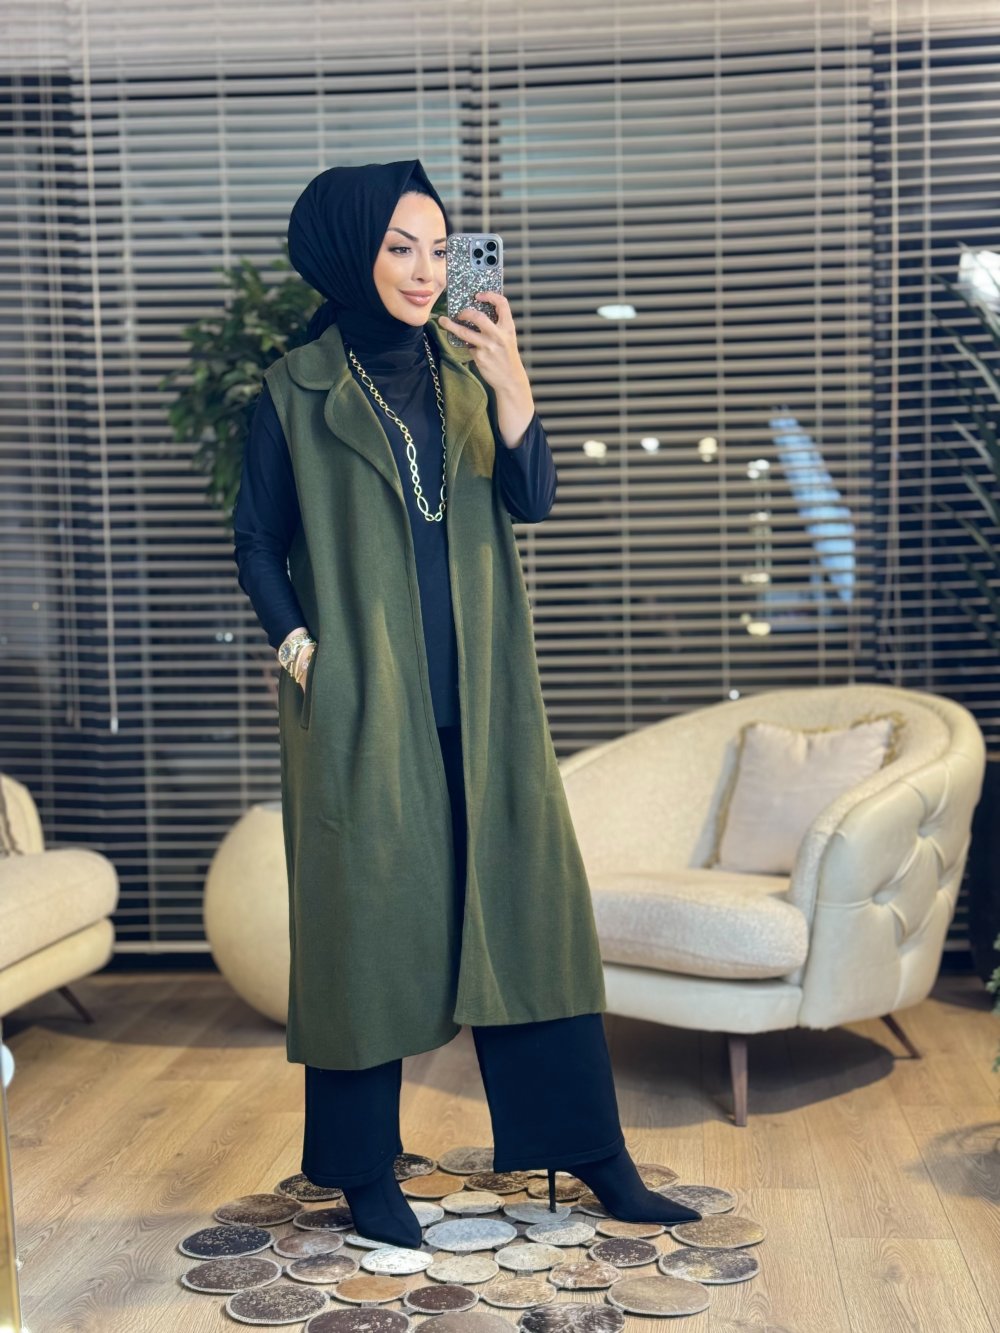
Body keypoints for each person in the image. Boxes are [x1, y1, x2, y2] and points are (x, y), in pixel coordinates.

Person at [232, 159, 701, 1249]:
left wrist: (514, 386)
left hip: (488, 701)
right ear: (348, 252)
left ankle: (593, 1154)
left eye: (440, 249)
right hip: (364, 705)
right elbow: (256, 538)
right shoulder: (295, 389)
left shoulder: (466, 365)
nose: (425, 269)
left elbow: (531, 499)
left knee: (529, 917)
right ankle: (362, 1172)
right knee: (365, 931)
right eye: (401, 246)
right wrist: (302, 651)